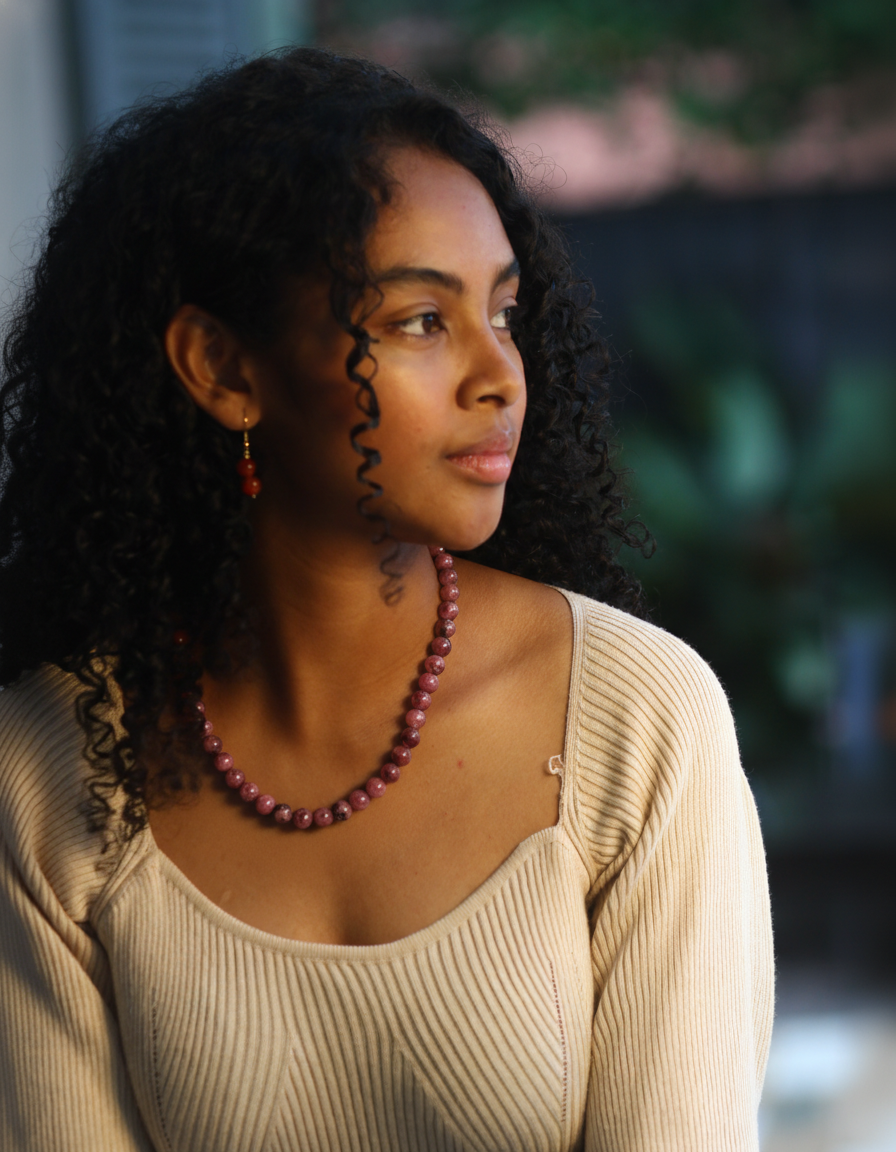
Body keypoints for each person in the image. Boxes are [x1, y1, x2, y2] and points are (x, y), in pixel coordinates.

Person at [0, 47, 773, 1151]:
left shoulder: (637, 721)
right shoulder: (43, 769)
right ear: (223, 368)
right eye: (419, 320)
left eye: (504, 313)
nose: (499, 375)